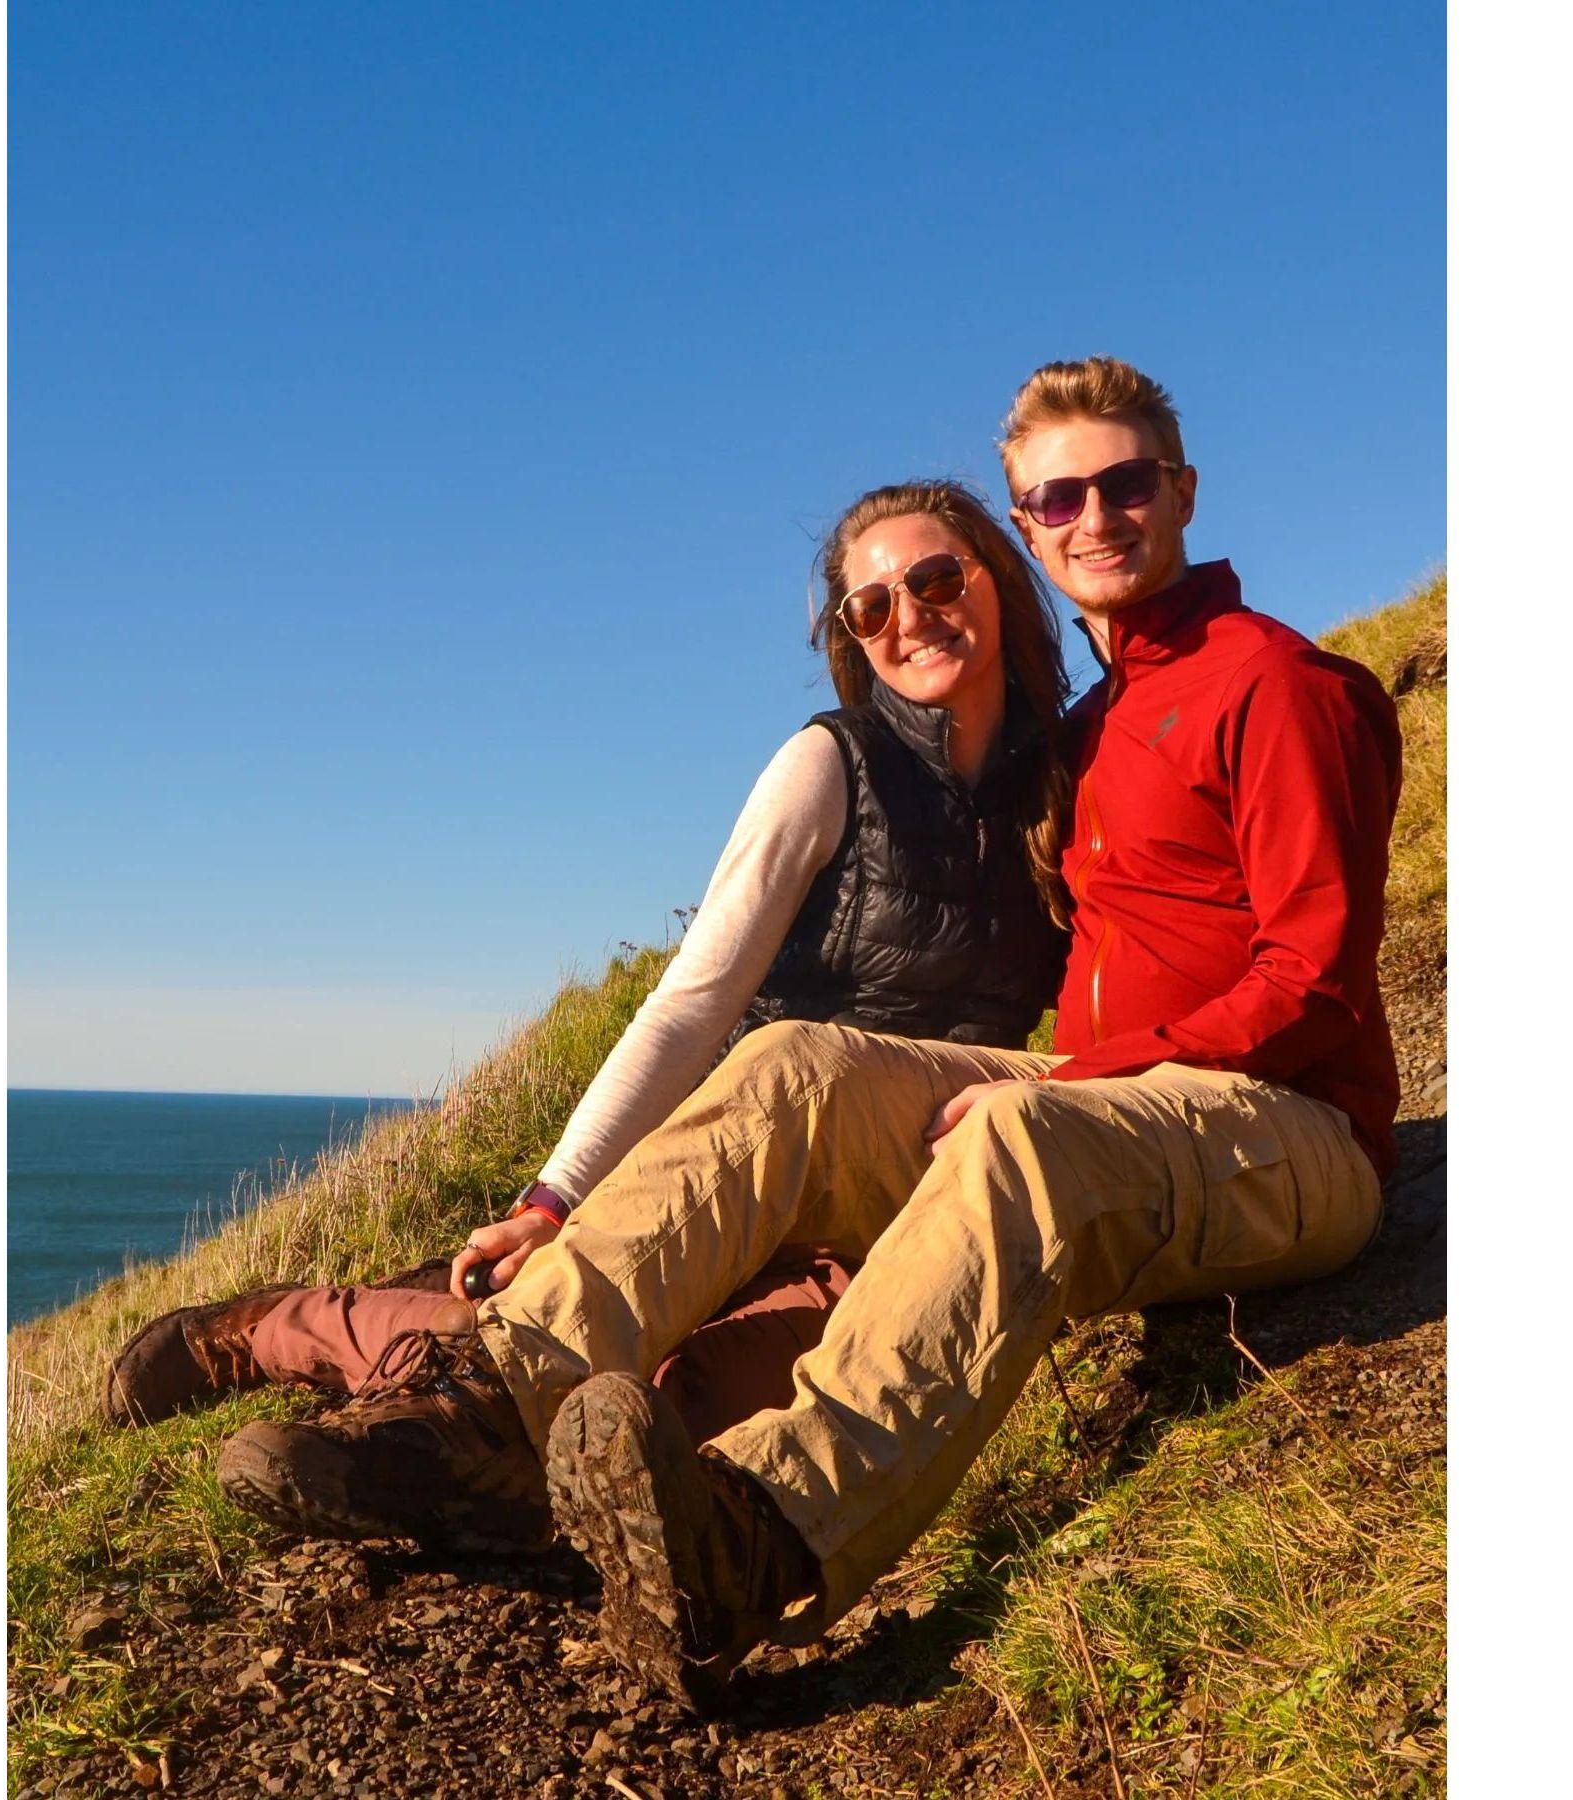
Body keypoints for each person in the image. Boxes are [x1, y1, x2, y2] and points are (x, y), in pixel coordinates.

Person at [201, 353, 1402, 1711]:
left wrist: (1088, 1076)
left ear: (1178, 491)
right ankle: (493, 1411)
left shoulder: (1282, 686)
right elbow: (703, 998)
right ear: (1028, 528)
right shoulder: (1081, 730)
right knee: (795, 1063)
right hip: (1116, 1107)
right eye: (1059, 496)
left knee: (1019, 1137)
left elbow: (1316, 980)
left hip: (1292, 1133)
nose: (1096, 516)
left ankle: (752, 1542)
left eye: (1126, 483)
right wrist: (558, 1196)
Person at [104, 478, 1075, 1551]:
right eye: (873, 605)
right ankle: (266, 1333)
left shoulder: (1069, 779)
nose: (912, 615)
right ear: (851, 636)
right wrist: (555, 1199)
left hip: (895, 1184)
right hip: (749, 1149)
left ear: (997, 572)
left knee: (703, 1394)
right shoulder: (831, 765)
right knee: (554, 1339)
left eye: (936, 578)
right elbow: (691, 1006)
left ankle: (485, 1464)